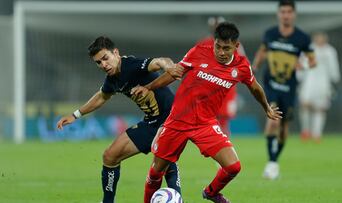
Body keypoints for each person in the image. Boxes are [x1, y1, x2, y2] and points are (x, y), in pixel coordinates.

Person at [132, 22, 282, 203]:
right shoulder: (199, 51)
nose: (220, 52)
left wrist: (266, 107)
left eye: (226, 48)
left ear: (236, 46)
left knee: (233, 166)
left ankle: (211, 193)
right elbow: (174, 73)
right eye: (217, 46)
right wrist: (148, 87)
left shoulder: (241, 67)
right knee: (156, 172)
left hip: (205, 123)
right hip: (177, 121)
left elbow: (255, 87)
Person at [56, 36, 183, 203]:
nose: (103, 65)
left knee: (163, 161)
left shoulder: (131, 65)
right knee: (110, 157)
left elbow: (160, 61)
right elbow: (102, 96)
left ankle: (177, 197)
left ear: (115, 53)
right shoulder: (112, 79)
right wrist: (75, 115)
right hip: (151, 122)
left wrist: (170, 67)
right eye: (98, 62)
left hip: (171, 120)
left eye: (105, 58)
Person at [252, 0, 316, 180]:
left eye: (289, 12)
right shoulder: (270, 34)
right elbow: (262, 51)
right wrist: (254, 66)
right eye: (283, 12)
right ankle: (271, 162)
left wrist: (302, 63)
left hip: (289, 87)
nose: (286, 15)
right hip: (271, 84)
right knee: (273, 121)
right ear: (278, 14)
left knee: (284, 127)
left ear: (293, 14)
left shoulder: (302, 38)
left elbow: (313, 61)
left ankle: (274, 160)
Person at [197, 16, 246, 135]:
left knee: (223, 121)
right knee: (209, 122)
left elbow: (243, 66)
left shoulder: (234, 45)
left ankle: (223, 149)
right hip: (209, 89)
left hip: (226, 89)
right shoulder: (203, 44)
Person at [298, 32, 340, 143]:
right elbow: (302, 65)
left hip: (323, 82)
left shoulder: (330, 51)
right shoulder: (308, 49)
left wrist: (334, 80)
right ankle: (306, 131)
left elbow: (333, 67)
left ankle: (317, 133)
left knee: (320, 109)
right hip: (309, 81)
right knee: (305, 105)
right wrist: (300, 77)